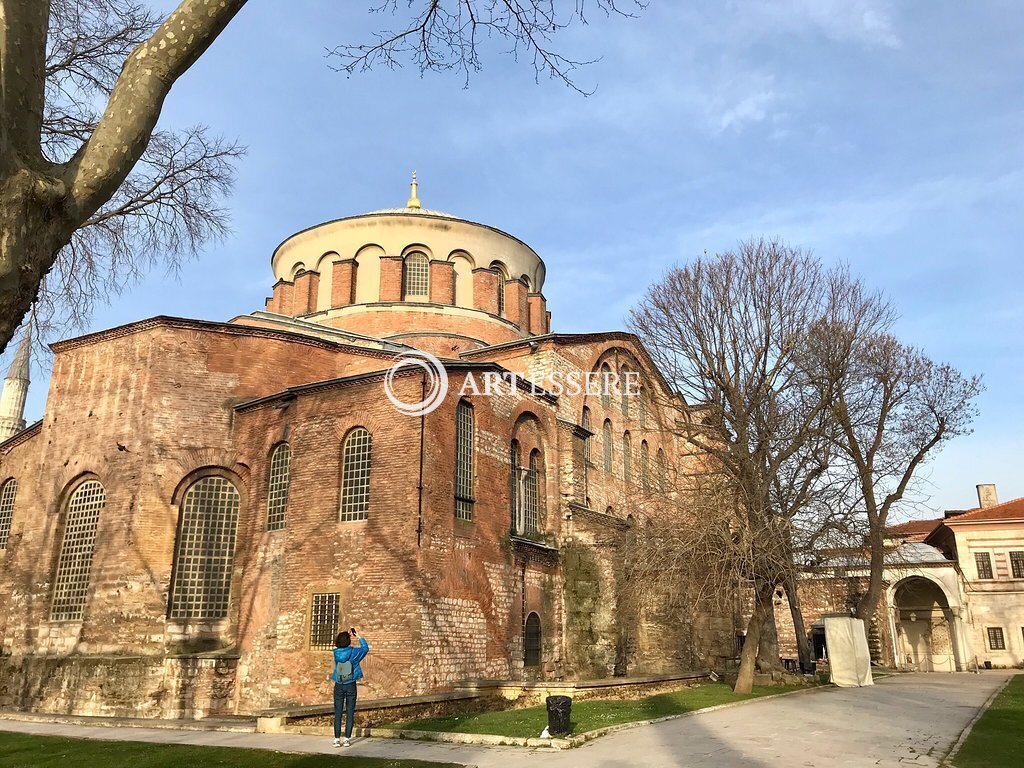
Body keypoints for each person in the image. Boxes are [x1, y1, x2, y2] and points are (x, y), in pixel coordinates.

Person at [328, 627, 369, 747]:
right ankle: (346, 738)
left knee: (338, 712)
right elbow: (365, 648)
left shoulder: (336, 652)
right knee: (350, 712)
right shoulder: (354, 653)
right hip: (350, 684)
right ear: (349, 641)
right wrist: (358, 636)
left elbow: (337, 645)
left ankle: (336, 739)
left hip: (339, 684)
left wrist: (345, 634)